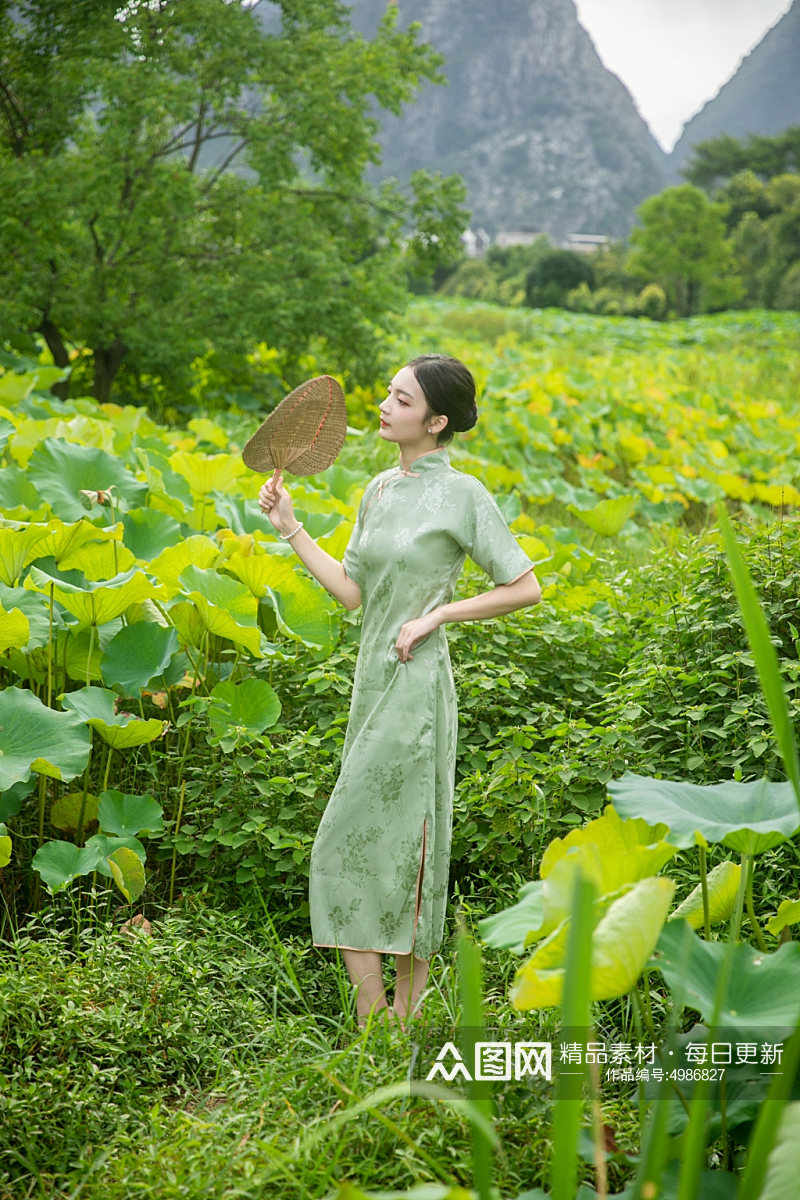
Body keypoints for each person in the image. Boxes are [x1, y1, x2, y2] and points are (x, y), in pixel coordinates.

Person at [258, 354, 541, 1026]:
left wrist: (440, 612)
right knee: (354, 844)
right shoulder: (378, 490)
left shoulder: (464, 494)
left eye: (402, 399)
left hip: (418, 686)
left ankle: (399, 1016)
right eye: (388, 392)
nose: (384, 405)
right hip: (372, 680)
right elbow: (353, 594)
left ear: (438, 420)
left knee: (404, 846)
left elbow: (524, 586)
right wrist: (290, 528)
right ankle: (375, 1012)